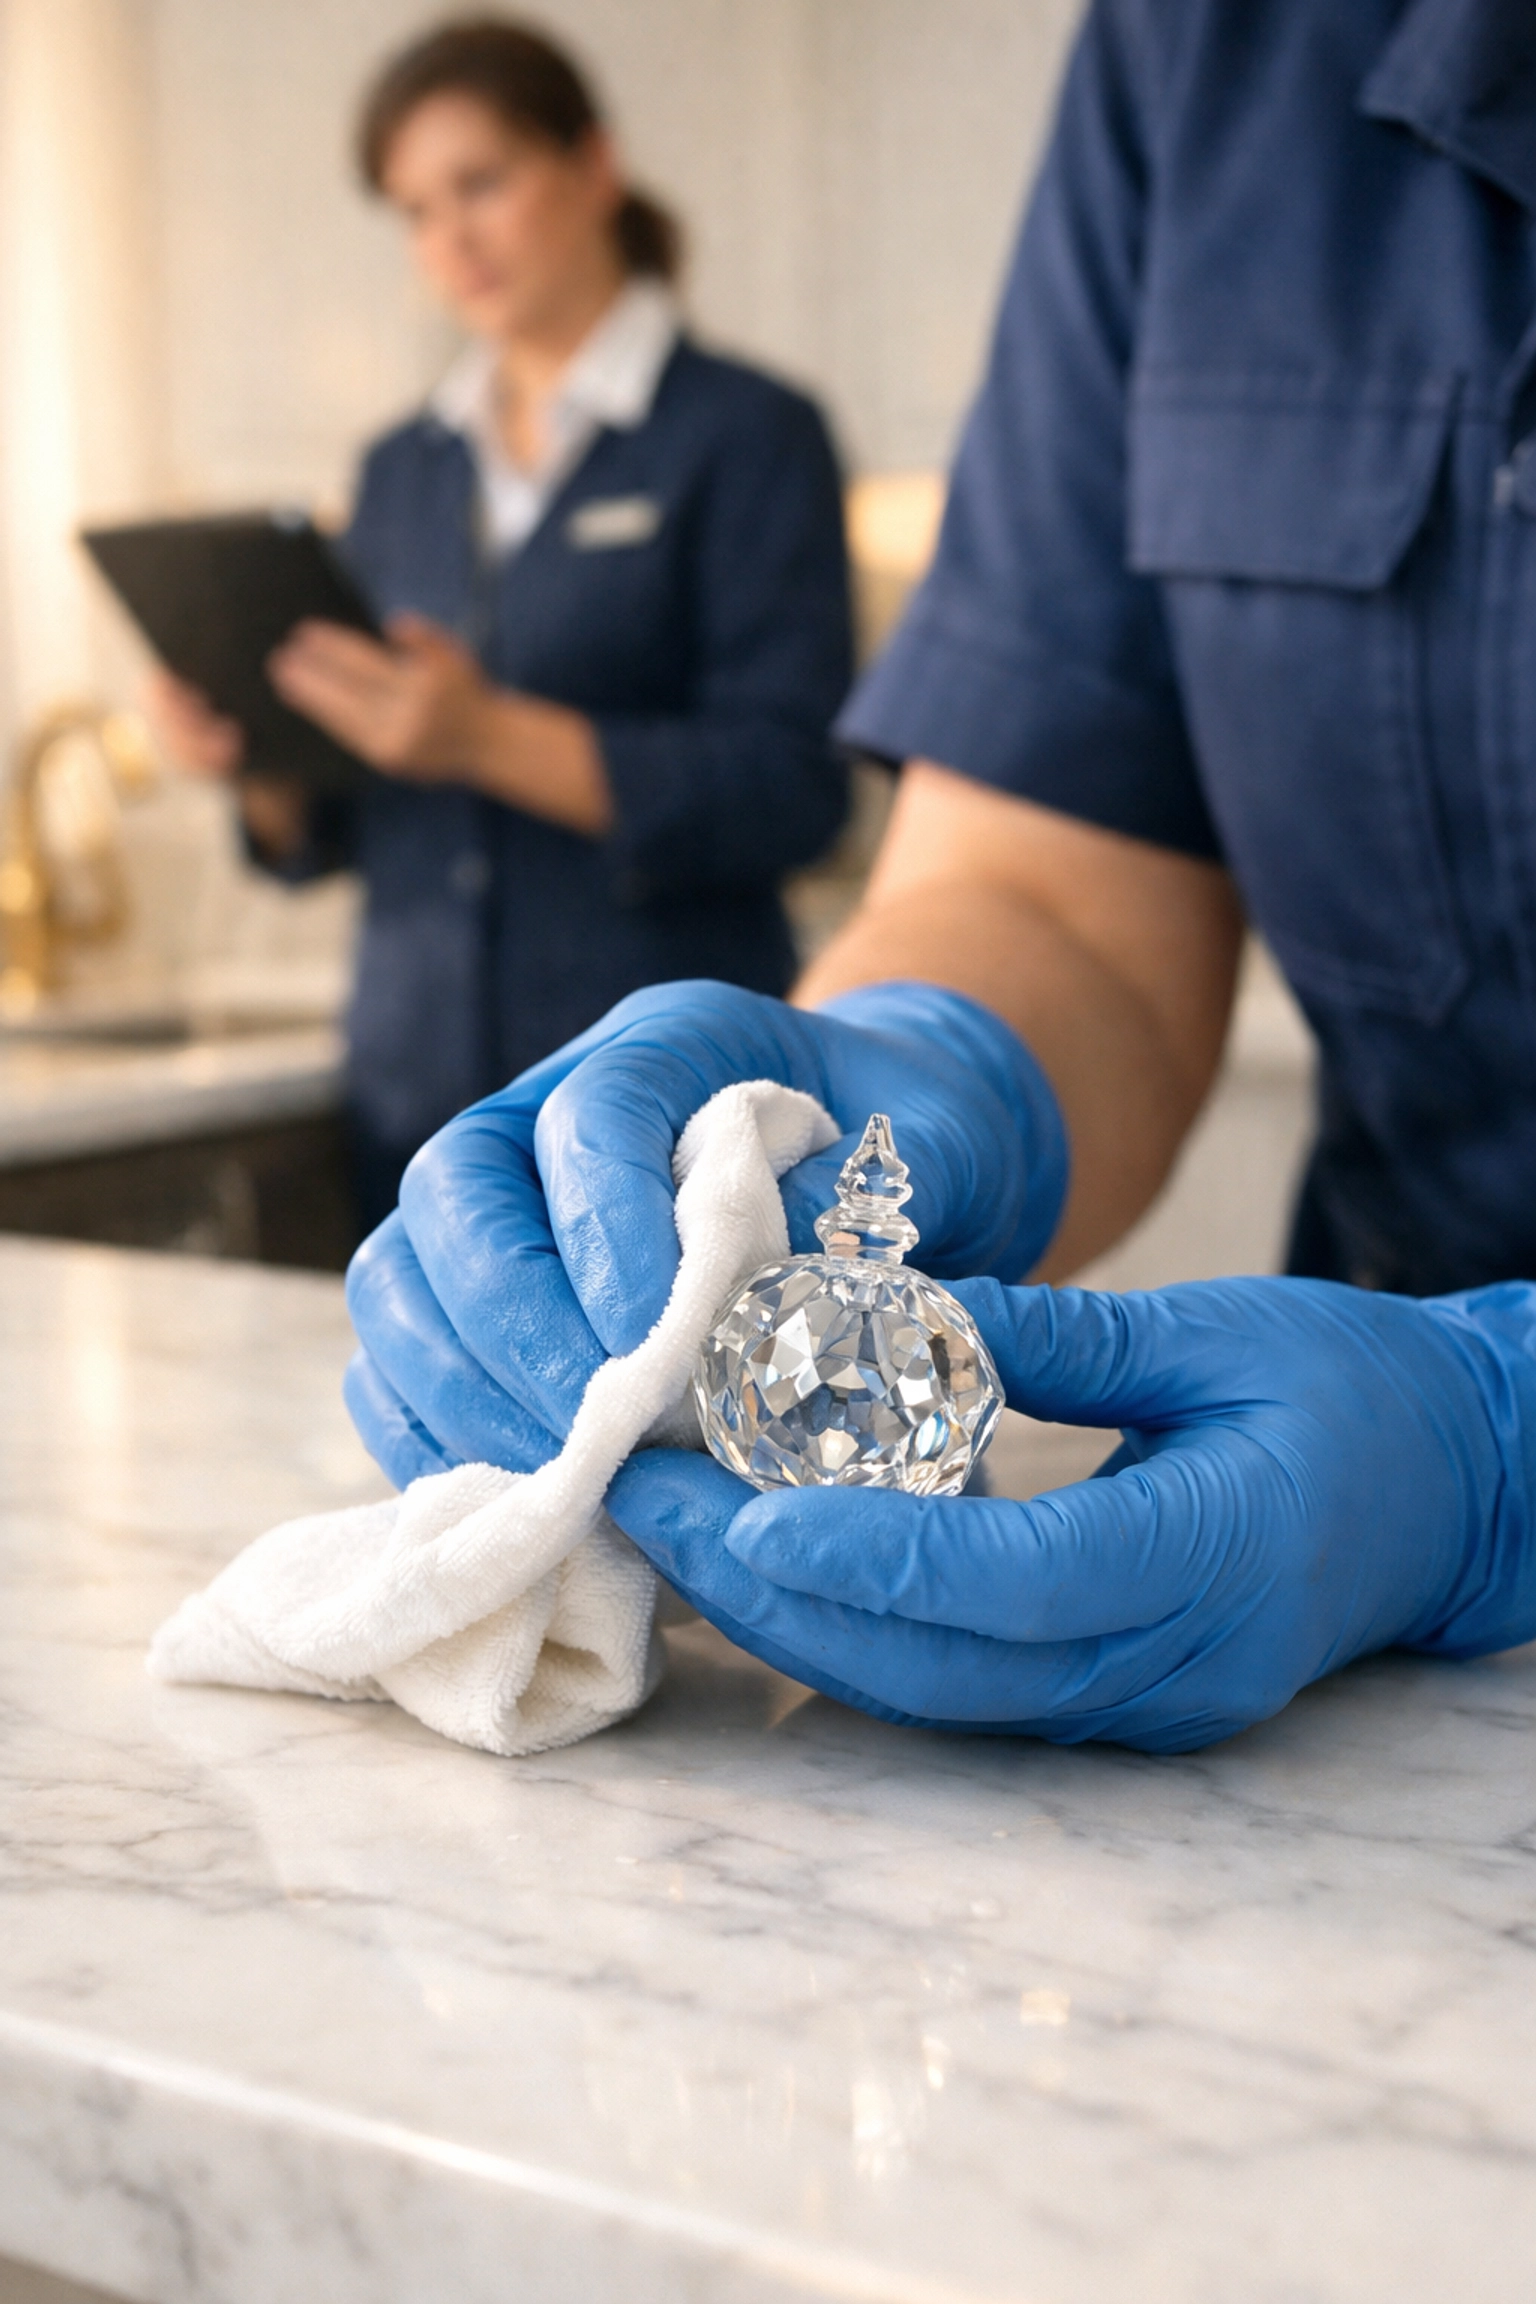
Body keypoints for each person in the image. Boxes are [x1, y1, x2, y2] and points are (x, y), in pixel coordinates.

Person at [337, 0, 1536, 1750]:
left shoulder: (739, 434)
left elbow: (769, 763)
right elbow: (1063, 880)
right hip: (1362, 1698)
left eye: (483, 182)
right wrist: (900, 1060)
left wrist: (1494, 1433)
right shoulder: (1216, 54)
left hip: (1373, 1495)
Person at [154, 16, 851, 1231]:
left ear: (593, 163)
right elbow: (363, 819)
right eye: (416, 210)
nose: (451, 238)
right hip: (422, 1103)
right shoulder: (401, 469)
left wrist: (486, 736)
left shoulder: (747, 435)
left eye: (480, 183)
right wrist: (259, 757)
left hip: (668, 1106)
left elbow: (794, 788)